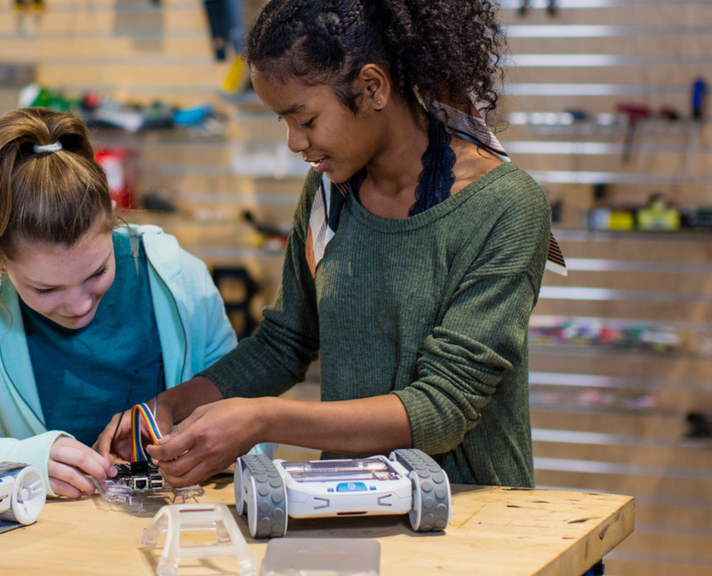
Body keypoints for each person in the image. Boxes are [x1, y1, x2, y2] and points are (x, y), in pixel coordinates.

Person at [97, 0, 561, 489]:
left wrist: (262, 420)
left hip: (474, 520)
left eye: (305, 119)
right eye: (285, 123)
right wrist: (170, 404)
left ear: (371, 88)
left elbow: (443, 407)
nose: (296, 143)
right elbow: (284, 343)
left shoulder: (506, 206)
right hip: (349, 505)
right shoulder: (328, 193)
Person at [0, 108, 237, 499]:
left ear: (112, 216)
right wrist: (17, 459)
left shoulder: (181, 281)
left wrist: (201, 453)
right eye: (45, 290)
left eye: (97, 273)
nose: (79, 305)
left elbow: (252, 439)